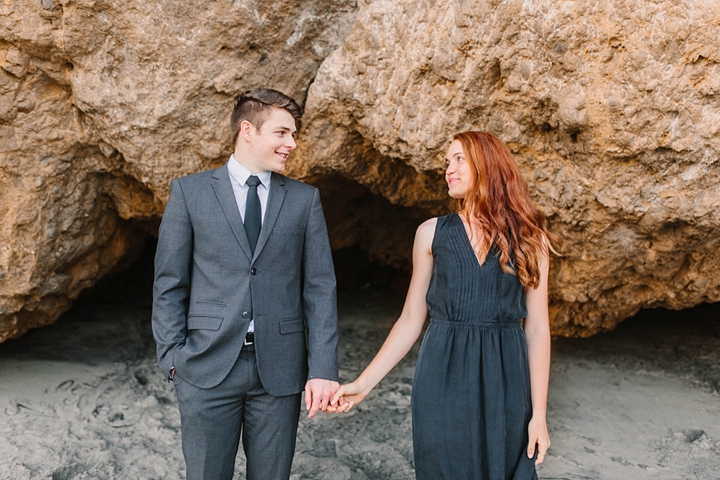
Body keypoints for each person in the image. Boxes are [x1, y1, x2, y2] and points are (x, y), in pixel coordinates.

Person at [328, 131, 560, 479]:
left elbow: (538, 329)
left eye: (459, 159)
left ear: (487, 164)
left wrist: (539, 413)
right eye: (446, 162)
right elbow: (410, 320)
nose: (449, 170)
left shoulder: (530, 238)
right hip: (442, 376)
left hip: (506, 381)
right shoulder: (430, 233)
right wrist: (364, 382)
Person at [152, 88, 339, 480]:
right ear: (248, 129)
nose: (292, 143)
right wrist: (172, 358)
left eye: (293, 134)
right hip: (205, 367)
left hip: (281, 371)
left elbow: (320, 289)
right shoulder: (189, 192)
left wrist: (322, 367)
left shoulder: (305, 200)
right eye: (282, 133)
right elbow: (170, 282)